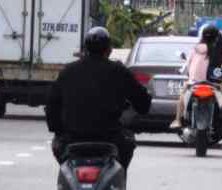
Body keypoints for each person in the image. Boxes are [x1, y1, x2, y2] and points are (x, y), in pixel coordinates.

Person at [46, 26, 151, 173]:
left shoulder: (68, 71)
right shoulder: (119, 71)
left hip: (73, 138)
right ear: (108, 49)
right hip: (110, 138)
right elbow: (143, 103)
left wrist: (58, 129)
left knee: (58, 145)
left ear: (85, 48)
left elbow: (51, 105)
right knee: (128, 144)